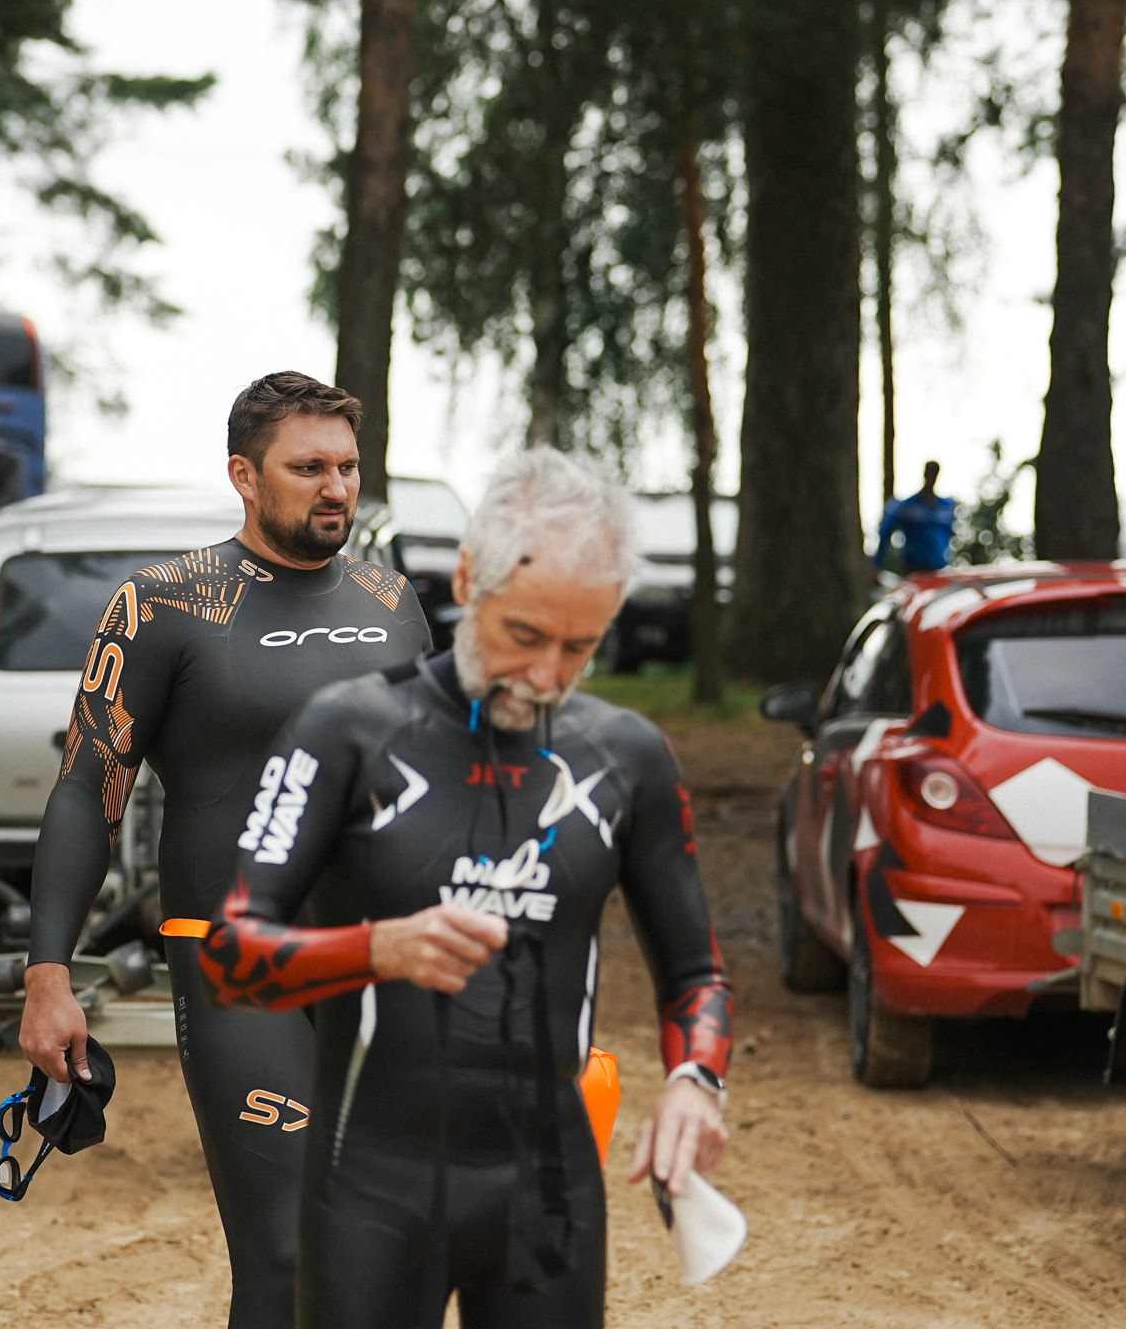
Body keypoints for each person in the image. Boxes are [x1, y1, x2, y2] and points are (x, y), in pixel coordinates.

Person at [201, 449, 731, 1329]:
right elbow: (230, 958)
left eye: (581, 647)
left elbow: (697, 978)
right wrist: (378, 948)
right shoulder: (350, 731)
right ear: (471, 578)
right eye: (525, 635)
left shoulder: (626, 756)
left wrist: (694, 1080)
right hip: (372, 1188)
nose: (547, 676)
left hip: (547, 1191)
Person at [20, 371, 432, 1329]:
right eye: (308, 468)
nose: (335, 487)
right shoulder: (163, 605)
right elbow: (88, 788)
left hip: (383, 960)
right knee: (287, 1250)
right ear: (245, 475)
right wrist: (49, 972)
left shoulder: (390, 598)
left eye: (347, 467)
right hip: (236, 962)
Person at [874, 460, 957, 574]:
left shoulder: (946, 507)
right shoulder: (908, 505)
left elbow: (950, 534)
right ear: (925, 474)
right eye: (930, 474)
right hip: (913, 567)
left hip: (939, 567)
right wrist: (877, 565)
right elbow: (885, 532)